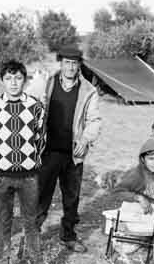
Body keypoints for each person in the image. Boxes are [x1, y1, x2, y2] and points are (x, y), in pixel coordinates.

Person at [0, 60, 60, 264]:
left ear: (25, 80)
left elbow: (41, 138)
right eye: (8, 78)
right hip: (1, 176)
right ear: (2, 81)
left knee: (31, 222)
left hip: (29, 176)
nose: (13, 83)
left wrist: (30, 162)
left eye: (18, 78)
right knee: (3, 222)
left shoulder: (36, 107)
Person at [29, 46, 101, 253]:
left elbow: (94, 120)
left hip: (73, 154)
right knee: (41, 195)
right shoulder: (47, 82)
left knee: (72, 198)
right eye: (67, 62)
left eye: (74, 63)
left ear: (79, 65)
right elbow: (29, 106)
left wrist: (85, 139)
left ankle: (68, 236)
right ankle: (33, 236)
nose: (70, 67)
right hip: (47, 151)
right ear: (60, 63)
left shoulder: (88, 90)